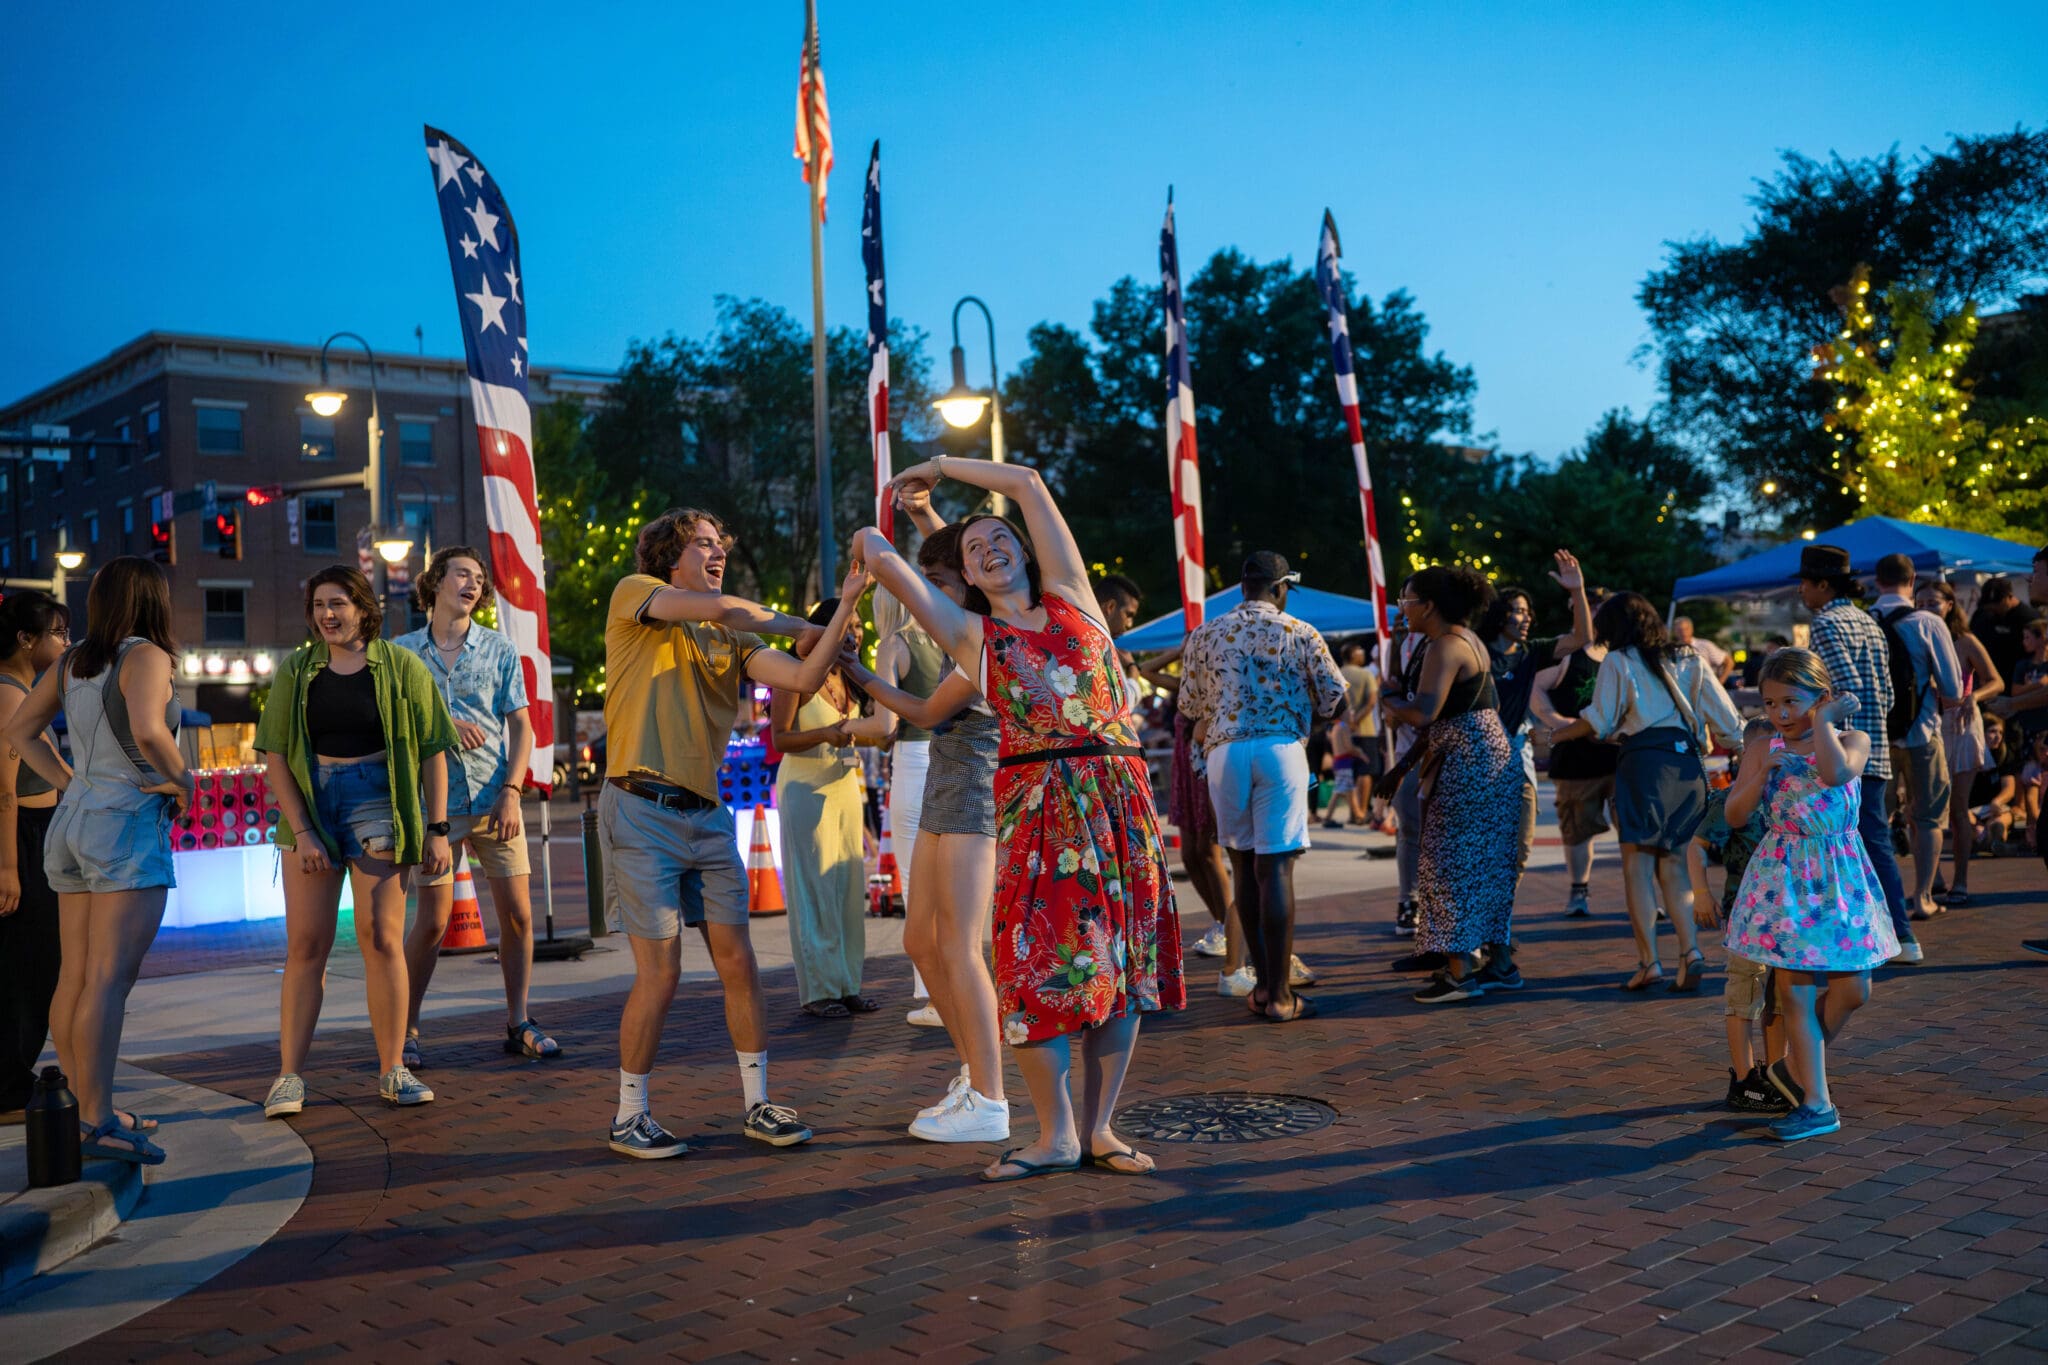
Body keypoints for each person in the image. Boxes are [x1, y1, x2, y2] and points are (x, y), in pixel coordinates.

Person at [850, 453, 1183, 1182]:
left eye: (999, 537)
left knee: (1119, 969)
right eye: (974, 550)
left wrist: (941, 464)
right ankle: (1054, 1134)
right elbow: (878, 555)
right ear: (966, 577)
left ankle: (1100, 1129)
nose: (990, 547)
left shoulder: (1076, 598)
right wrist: (897, 516)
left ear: (1026, 550)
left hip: (1118, 800)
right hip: (1040, 809)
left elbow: (1028, 482)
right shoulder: (973, 639)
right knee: (1036, 967)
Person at [599, 507, 866, 1158]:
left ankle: (758, 1103)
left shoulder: (733, 637)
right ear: (669, 556)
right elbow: (721, 608)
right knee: (660, 974)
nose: (716, 552)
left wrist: (842, 614)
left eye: (720, 544)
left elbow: (803, 677)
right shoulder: (636, 595)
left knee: (740, 964)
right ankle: (629, 1113)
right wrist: (808, 622)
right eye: (702, 544)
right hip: (640, 806)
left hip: (708, 814)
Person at [7, 559, 192, 1164]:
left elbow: (21, 731)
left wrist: (71, 780)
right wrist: (182, 782)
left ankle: (85, 1107)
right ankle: (97, 1118)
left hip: (73, 820)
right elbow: (149, 732)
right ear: (151, 600)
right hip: (124, 822)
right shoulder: (148, 656)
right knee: (110, 978)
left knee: (77, 976)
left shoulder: (73, 660)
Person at [257, 567, 456, 1119]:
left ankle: (394, 1069)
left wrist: (437, 830)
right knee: (307, 944)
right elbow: (275, 754)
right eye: (319, 604)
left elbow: (433, 749)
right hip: (312, 802)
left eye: (338, 603)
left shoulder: (401, 667)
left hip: (379, 797)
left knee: (381, 938)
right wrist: (301, 829)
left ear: (363, 608)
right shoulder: (296, 671)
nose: (327, 614)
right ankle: (288, 1077)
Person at [842, 522, 1011, 1143]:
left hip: (974, 796)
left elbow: (919, 713)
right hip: (944, 789)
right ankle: (974, 1073)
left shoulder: (984, 638)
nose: (931, 594)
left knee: (961, 947)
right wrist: (921, 511)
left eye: (940, 583)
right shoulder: (962, 627)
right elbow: (952, 549)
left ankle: (991, 1099)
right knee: (919, 940)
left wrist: (855, 670)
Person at [1724, 649, 1898, 1141]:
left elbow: (1837, 772)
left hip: (1841, 874)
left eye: (1792, 702)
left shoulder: (1852, 739)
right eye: (1771, 702)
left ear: (1821, 699)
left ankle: (1795, 1069)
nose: (1780, 714)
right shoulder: (1763, 746)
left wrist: (1822, 721)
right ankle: (1817, 1102)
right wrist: (1761, 772)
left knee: (1854, 988)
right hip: (1785, 877)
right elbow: (1735, 816)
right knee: (1795, 990)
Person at [393, 547, 557, 1067]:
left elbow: (522, 726)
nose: (474, 584)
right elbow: (392, 729)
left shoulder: (499, 649)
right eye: (463, 573)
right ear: (436, 581)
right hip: (432, 808)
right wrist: (440, 721)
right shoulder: (400, 654)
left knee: (519, 917)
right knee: (433, 923)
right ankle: (406, 1028)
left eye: (480, 579)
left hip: (494, 801)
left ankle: (518, 1020)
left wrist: (513, 791)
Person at [1180, 551, 1347, 1022]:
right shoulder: (1299, 631)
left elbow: (1189, 704)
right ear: (1281, 588)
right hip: (1279, 750)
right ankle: (1278, 996)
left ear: (1241, 587)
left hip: (1225, 752)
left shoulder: (1206, 632)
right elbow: (1334, 696)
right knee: (1275, 871)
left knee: (1242, 866)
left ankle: (1258, 987)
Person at [1549, 592, 1742, 992]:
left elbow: (1600, 721)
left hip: (1642, 765)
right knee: (1674, 865)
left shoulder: (1619, 661)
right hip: (1688, 766)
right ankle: (1691, 952)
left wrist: (1556, 733)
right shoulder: (1689, 657)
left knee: (1636, 867)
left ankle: (1648, 962)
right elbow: (1727, 722)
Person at [1381, 565, 1524, 1004]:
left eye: (1407, 599)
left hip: (1467, 762)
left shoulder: (1445, 645)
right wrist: (1402, 765)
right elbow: (1459, 710)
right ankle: (1499, 963)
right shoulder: (1467, 640)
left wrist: (1389, 700)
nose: (1402, 608)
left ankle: (1461, 973)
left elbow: (1423, 712)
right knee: (1487, 863)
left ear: (1429, 605)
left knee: (1448, 861)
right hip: (1488, 755)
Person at [1797, 544, 1919, 964]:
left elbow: (1847, 692)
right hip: (1877, 747)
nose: (1801, 592)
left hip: (1845, 751)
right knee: (1872, 840)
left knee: (1850, 842)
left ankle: (1896, 937)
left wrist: (1822, 724)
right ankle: (1891, 934)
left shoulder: (1827, 623)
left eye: (1805, 584)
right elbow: (1884, 694)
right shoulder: (1869, 621)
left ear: (1823, 585)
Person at [771, 597, 878, 1020]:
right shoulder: (793, 675)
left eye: (858, 625)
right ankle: (818, 990)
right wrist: (824, 734)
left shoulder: (851, 676)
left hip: (844, 788)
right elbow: (779, 738)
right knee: (813, 889)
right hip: (804, 786)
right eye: (845, 624)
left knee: (848, 888)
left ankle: (848, 984)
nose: (854, 633)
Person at [1689, 718, 1787, 1114]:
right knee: (1745, 994)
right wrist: (1701, 893)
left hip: (1786, 917)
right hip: (1747, 916)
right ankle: (1744, 1077)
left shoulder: (1789, 800)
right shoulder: (1730, 802)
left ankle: (1779, 1071)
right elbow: (1696, 846)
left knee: (1781, 998)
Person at [1135, 644, 1246, 993]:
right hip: (1188, 775)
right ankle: (1221, 922)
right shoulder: (1187, 686)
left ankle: (1233, 934)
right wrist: (1181, 648)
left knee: (1210, 854)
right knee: (1190, 855)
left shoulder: (1221, 685)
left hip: (1208, 774)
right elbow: (1145, 669)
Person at [864, 585, 950, 1023]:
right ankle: (956, 985)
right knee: (951, 883)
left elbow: (885, 723)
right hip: (948, 761)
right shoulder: (943, 639)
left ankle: (935, 996)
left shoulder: (892, 645)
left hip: (913, 764)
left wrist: (847, 727)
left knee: (917, 883)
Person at [0, 592, 70, 1119]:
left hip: (36, 832)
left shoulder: (25, 690)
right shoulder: (8, 694)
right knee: (30, 964)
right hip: (21, 836)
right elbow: (3, 789)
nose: (65, 643)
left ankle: (10, 1080)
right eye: (57, 633)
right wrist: (8, 868)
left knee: (37, 963)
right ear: (27, 639)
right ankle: (6, 1086)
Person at [1479, 559, 1593, 882]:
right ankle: (1483, 925)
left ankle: (1497, 925)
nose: (1526, 617)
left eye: (1528, 612)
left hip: (1517, 759)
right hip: (1479, 760)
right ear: (1499, 614)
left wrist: (1577, 590)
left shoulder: (1531, 652)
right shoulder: (1476, 651)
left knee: (1518, 850)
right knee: (1484, 849)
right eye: (1518, 610)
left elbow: (1582, 637)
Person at [1870, 553, 1963, 922]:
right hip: (1923, 733)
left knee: (1875, 821)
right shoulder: (1928, 622)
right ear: (1912, 581)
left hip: (1875, 739)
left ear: (1876, 582)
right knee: (1928, 819)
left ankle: (1881, 901)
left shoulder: (1863, 620)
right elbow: (1953, 688)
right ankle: (1922, 897)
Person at [1913, 579, 2002, 909]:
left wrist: (1972, 696)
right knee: (1921, 808)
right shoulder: (1913, 637)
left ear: (1950, 604)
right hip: (1927, 725)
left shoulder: (1964, 640)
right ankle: (1931, 878)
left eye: (1933, 603)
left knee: (1958, 808)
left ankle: (1960, 879)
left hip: (1961, 725)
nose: (1926, 610)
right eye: (1919, 604)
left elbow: (1996, 680)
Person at [1530, 634, 1617, 919]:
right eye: (1591, 606)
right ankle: (1579, 891)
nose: (1597, 614)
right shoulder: (1568, 654)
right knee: (1577, 830)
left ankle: (1644, 895)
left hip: (1622, 758)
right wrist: (1557, 722)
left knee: (1636, 831)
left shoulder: (1624, 653)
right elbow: (1534, 686)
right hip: (1575, 762)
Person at [1969, 576, 2028, 691]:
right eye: (1989, 605)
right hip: (1983, 682)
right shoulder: (1981, 614)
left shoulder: (2026, 617)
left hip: (2012, 683)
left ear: (2009, 597)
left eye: (1997, 604)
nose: (1993, 608)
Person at [1673, 616, 1735, 685]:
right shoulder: (1672, 651)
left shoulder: (1704, 645)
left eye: (1686, 629)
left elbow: (1729, 662)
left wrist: (1719, 683)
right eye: (1679, 630)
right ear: (1674, 631)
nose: (1683, 633)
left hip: (1706, 687)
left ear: (1691, 629)